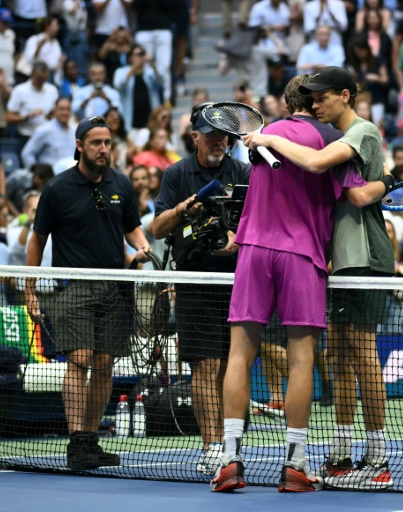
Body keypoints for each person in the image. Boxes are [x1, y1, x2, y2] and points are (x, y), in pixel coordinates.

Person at [213, 74, 380, 492]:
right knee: (302, 359)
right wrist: (386, 183)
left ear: (289, 103)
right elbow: (357, 196)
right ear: (316, 101)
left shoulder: (265, 133)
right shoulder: (333, 137)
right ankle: (295, 464)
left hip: (253, 250)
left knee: (239, 354)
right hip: (302, 254)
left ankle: (229, 458)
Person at [24, 117, 151, 471]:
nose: (103, 149)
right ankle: (77, 442)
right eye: (96, 142)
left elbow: (133, 229)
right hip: (73, 286)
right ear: (79, 145)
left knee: (104, 363)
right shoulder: (57, 189)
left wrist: (141, 248)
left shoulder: (121, 184)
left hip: (115, 287)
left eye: (108, 142)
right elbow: (38, 239)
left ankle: (90, 441)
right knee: (80, 359)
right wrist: (29, 289)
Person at [152, 102, 250, 478]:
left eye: (223, 135)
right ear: (194, 137)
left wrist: (235, 239)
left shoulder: (243, 171)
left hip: (239, 280)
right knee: (206, 366)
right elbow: (158, 228)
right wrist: (186, 208)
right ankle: (212, 446)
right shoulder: (177, 173)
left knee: (233, 367)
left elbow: (260, 220)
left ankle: (231, 445)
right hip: (194, 281)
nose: (218, 141)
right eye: (210, 134)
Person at [20, 98, 76, 169]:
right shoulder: (44, 130)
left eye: (68, 109)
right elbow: (27, 153)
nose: (65, 113)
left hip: (71, 175)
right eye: (61, 109)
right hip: (51, 176)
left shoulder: (75, 132)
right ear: (54, 111)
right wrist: (36, 171)